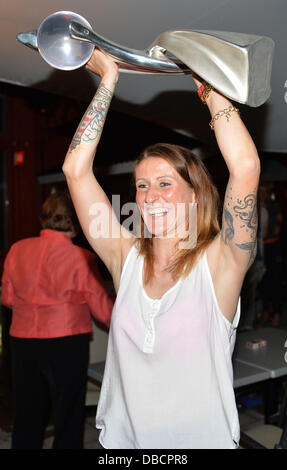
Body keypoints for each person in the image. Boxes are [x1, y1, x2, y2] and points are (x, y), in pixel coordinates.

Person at [62, 50, 260, 449]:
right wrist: (107, 81)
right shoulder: (126, 256)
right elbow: (75, 170)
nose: (150, 195)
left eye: (165, 183)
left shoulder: (220, 264)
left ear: (195, 194)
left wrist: (207, 83)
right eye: (142, 185)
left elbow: (246, 166)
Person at [1, 190, 114, 449]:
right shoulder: (81, 257)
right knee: (67, 412)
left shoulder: (17, 250)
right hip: (66, 341)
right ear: (76, 220)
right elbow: (102, 310)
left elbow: (7, 299)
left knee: (27, 411)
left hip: (22, 340)